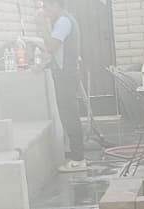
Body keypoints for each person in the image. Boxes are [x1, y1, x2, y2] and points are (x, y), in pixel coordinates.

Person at [40, 0, 87, 173]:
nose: (46, 10)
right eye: (44, 6)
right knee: (68, 115)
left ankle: (78, 159)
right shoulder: (64, 20)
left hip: (66, 75)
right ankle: (76, 155)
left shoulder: (63, 22)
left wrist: (42, 26)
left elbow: (52, 46)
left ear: (57, 5)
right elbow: (56, 52)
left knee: (70, 116)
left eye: (48, 6)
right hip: (66, 73)